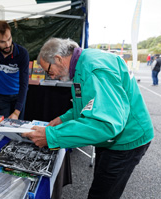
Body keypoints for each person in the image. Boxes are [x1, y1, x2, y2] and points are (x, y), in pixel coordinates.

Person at [22, 38, 154, 199]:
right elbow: (89, 105)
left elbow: (105, 124)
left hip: (126, 141)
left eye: (49, 72)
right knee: (101, 181)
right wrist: (63, 119)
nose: (53, 77)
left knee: (102, 193)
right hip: (112, 139)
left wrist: (51, 136)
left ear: (58, 59)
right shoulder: (82, 65)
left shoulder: (93, 69)